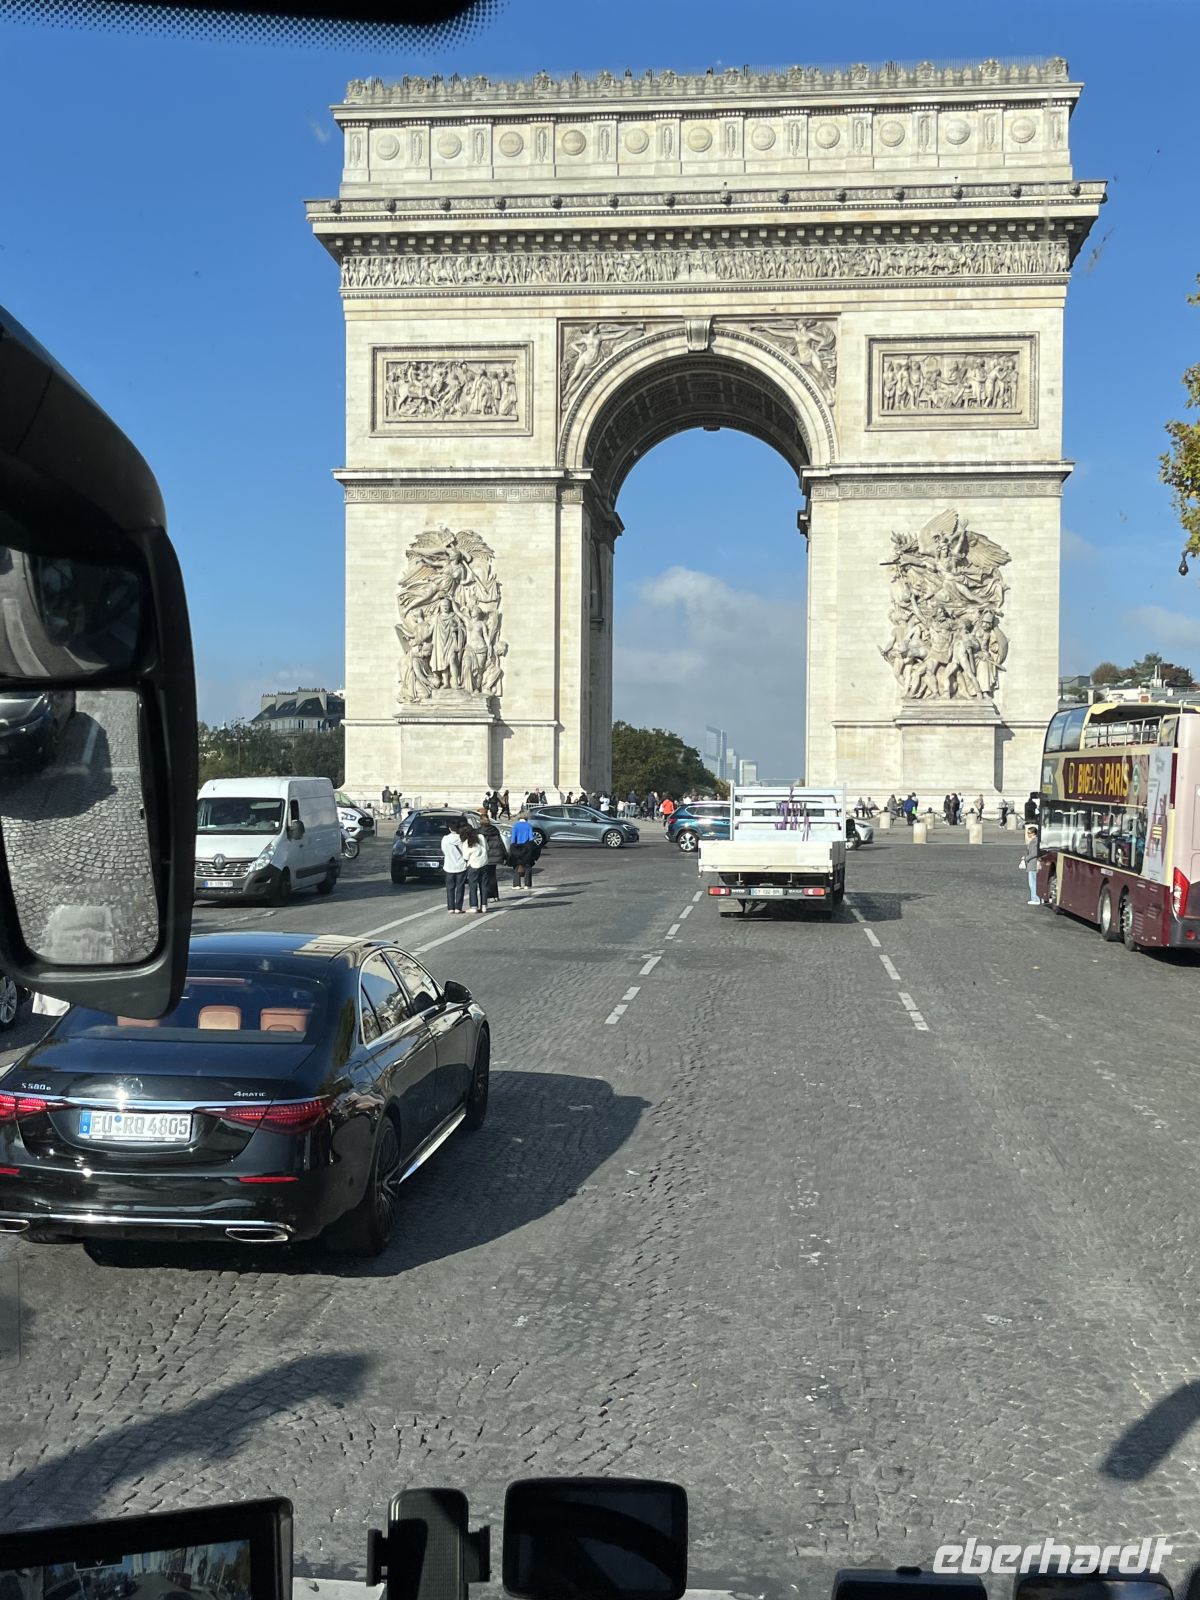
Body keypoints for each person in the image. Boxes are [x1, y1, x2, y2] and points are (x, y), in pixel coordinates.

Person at [441, 820, 468, 914]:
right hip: (461, 865)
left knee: (450, 888)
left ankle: (450, 907)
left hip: (449, 865)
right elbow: (465, 852)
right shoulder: (462, 839)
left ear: (449, 829)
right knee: (460, 887)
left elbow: (443, 851)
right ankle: (458, 908)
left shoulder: (445, 839)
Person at [462, 824, 489, 913]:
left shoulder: (466, 842)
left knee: (473, 886)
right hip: (484, 863)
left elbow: (465, 856)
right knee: (483, 885)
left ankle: (474, 906)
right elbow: (487, 848)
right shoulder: (481, 837)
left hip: (473, 865)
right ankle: (484, 905)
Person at [480, 814, 506, 902]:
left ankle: (488, 895)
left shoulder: (479, 831)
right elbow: (500, 842)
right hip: (495, 855)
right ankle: (495, 895)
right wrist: (504, 854)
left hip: (485, 855)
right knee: (492, 876)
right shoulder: (495, 829)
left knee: (485, 877)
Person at [509, 813, 536, 889]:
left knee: (516, 865)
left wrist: (512, 847)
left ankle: (517, 884)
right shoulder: (529, 826)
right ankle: (527, 884)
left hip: (517, 847)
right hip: (526, 847)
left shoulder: (515, 826)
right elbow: (531, 838)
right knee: (527, 866)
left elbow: (513, 838)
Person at [1022, 824, 1042, 905]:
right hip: (1033, 863)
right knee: (1034, 881)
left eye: (1029, 833)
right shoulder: (1036, 841)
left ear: (1033, 833)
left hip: (1032, 863)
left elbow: (1034, 853)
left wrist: (1025, 858)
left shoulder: (1034, 841)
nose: (1028, 834)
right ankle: (1037, 898)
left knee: (1032, 882)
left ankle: (1035, 898)